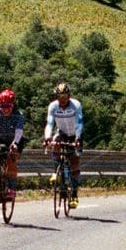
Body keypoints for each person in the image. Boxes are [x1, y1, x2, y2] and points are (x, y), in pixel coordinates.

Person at [44, 80, 84, 208]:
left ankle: (74, 195)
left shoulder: (76, 105)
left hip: (75, 135)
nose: (62, 100)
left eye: (64, 97)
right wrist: (47, 138)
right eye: (59, 97)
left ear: (69, 96)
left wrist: (77, 138)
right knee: (56, 141)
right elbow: (50, 123)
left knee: (74, 164)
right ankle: (55, 172)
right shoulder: (53, 106)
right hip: (62, 132)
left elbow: (79, 123)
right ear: (56, 97)